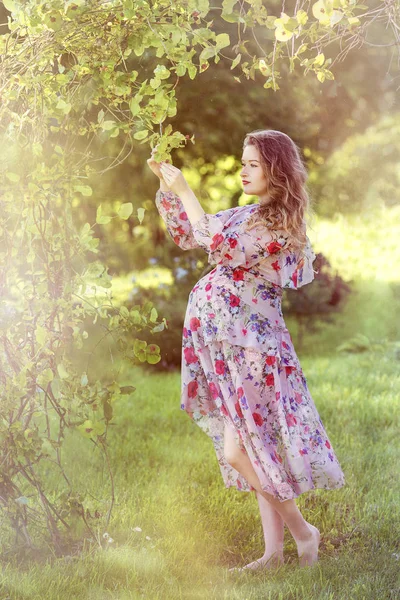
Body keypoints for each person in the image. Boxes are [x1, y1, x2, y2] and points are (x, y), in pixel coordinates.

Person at [147, 129, 345, 572]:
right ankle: (272, 553)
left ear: (276, 170)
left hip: (253, 348)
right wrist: (168, 190)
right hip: (226, 345)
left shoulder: (278, 224)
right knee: (253, 450)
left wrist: (186, 189)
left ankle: (303, 533)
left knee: (244, 450)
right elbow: (190, 235)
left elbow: (219, 245)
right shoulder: (246, 214)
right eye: (243, 161)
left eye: (252, 163)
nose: (243, 169)